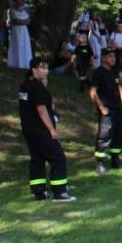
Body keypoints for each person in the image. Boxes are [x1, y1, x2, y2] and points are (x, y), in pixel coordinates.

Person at [19, 56, 75, 201]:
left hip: (28, 130)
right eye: (42, 68)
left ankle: (39, 192)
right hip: (40, 130)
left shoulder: (25, 86)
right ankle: (60, 192)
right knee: (58, 157)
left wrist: (45, 88)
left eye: (47, 68)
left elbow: (46, 105)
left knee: (37, 159)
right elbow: (42, 110)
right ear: (34, 70)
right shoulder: (37, 87)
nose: (46, 71)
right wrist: (51, 129)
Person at [88, 48, 122, 175]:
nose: (113, 59)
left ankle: (115, 160)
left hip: (117, 108)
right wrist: (102, 108)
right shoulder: (99, 73)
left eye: (114, 56)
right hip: (107, 109)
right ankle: (100, 164)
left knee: (118, 134)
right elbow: (92, 92)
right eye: (110, 56)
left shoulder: (113, 71)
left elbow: (118, 84)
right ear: (103, 58)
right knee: (104, 135)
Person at [7, 0, 33, 69]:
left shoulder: (25, 11)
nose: (20, 2)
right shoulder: (12, 11)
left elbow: (28, 21)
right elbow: (16, 21)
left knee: (25, 46)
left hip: (24, 31)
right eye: (18, 1)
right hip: (16, 30)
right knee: (17, 45)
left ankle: (25, 63)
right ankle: (16, 63)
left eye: (21, 1)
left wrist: (22, 21)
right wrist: (22, 21)